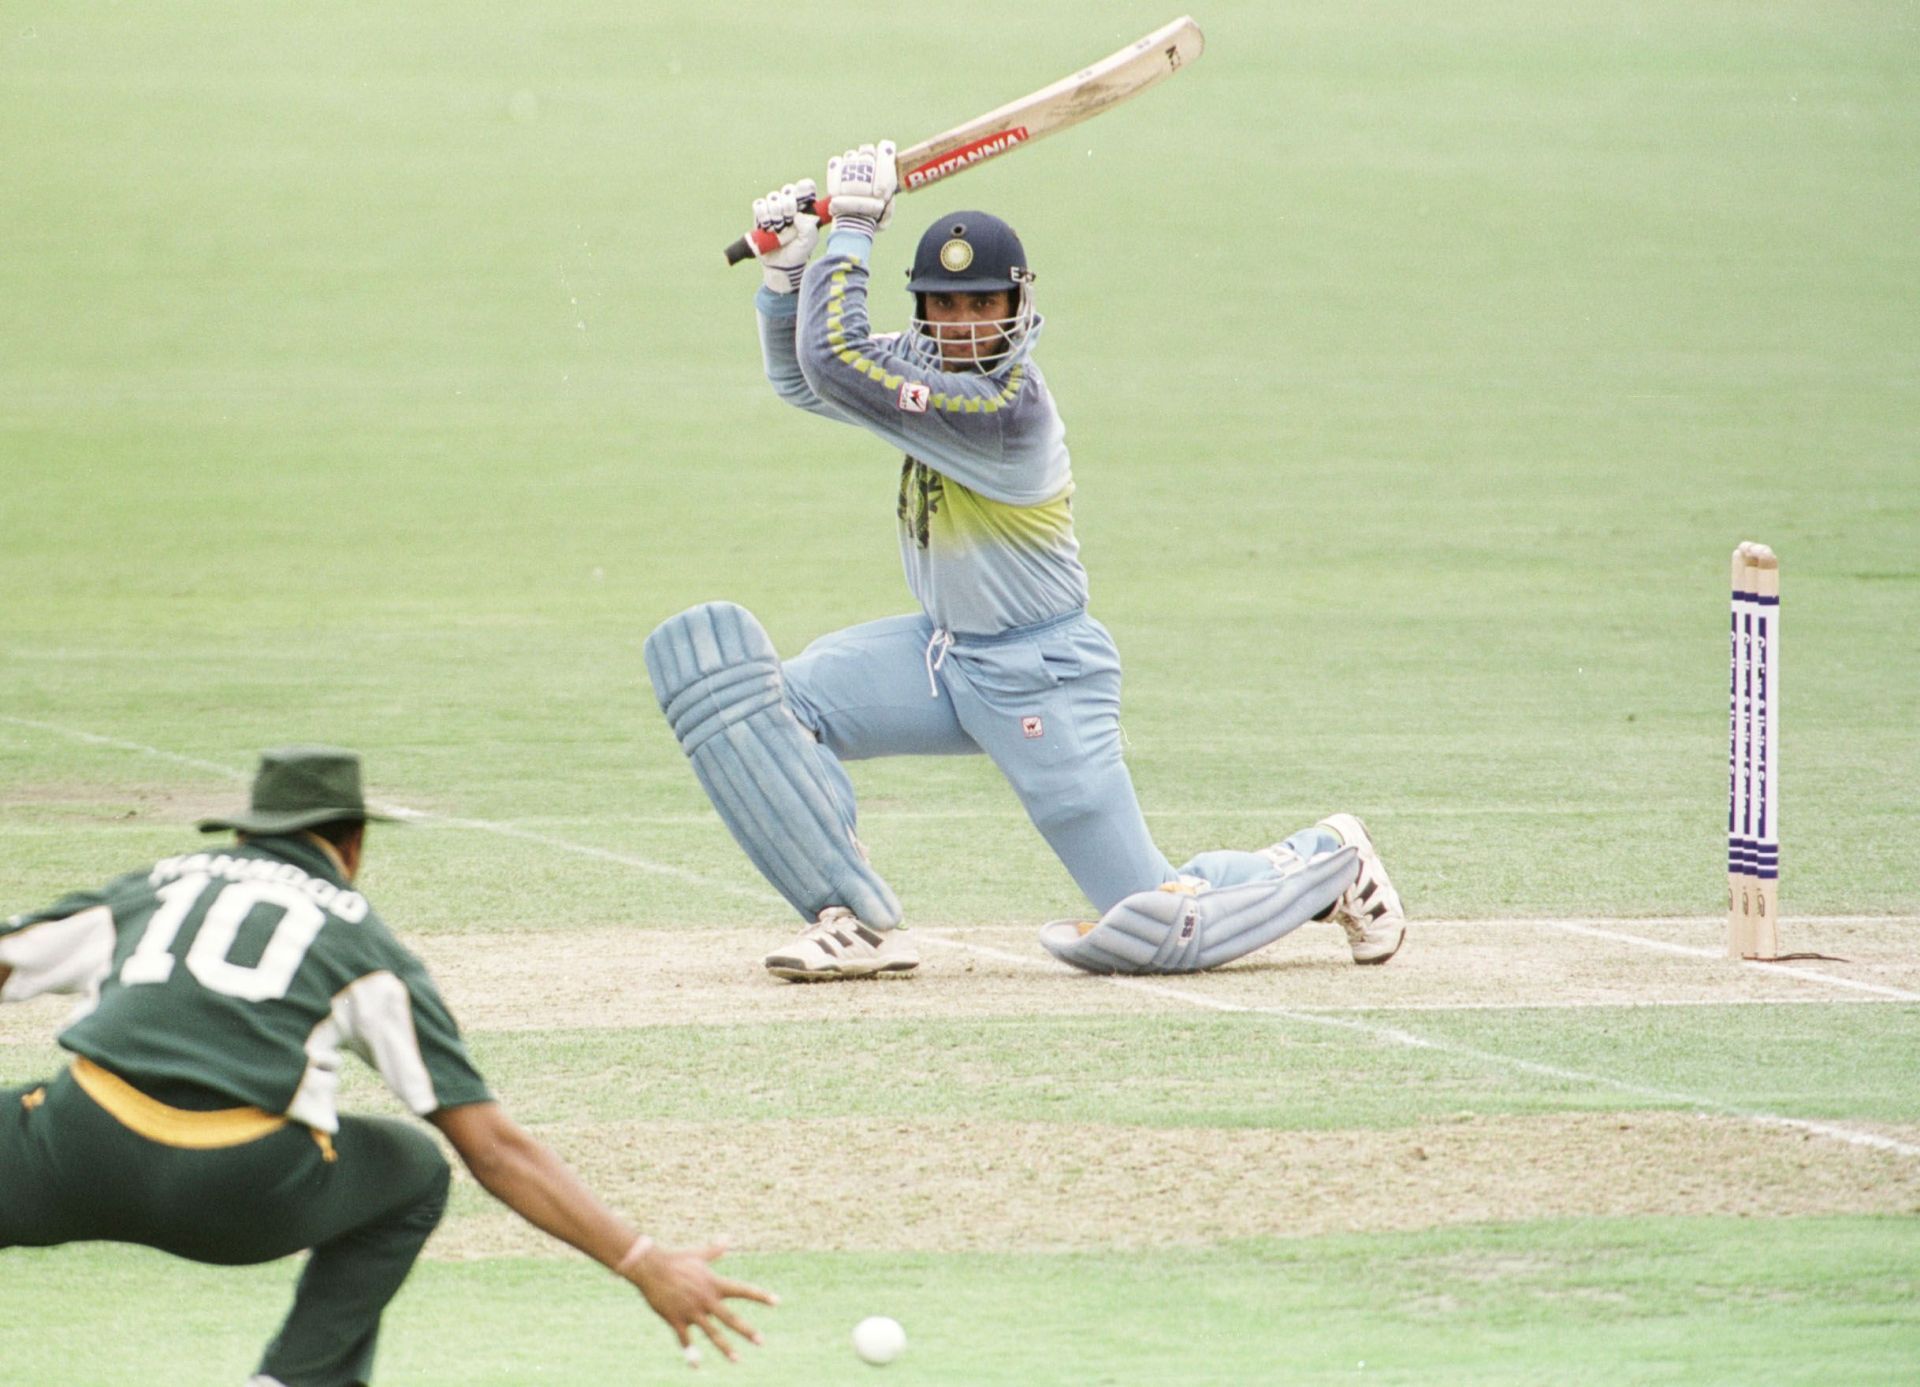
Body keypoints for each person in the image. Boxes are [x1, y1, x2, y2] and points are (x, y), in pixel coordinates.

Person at [644, 143, 1407, 981]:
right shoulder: (930, 368)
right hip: (943, 657)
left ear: (1017, 302)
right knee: (760, 704)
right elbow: (810, 379)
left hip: (1042, 675)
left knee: (1155, 920)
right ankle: (853, 919)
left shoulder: (1001, 409)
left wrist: (853, 229)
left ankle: (1331, 860)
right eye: (945, 305)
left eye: (983, 302)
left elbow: (837, 362)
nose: (965, 322)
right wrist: (786, 279)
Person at [0, 747, 774, 1385]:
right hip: (238, 1193)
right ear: (353, 845)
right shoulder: (364, 943)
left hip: (79, 1147)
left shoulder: (160, 885)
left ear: (242, 836)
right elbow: (492, 1149)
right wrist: (642, 1260)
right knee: (412, 1167)